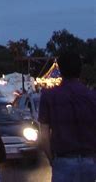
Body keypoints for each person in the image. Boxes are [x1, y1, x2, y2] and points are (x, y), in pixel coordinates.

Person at [38, 51, 96, 182]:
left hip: (63, 160)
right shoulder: (92, 96)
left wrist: (52, 159)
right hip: (89, 161)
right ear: (80, 70)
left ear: (60, 69)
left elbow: (44, 136)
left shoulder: (49, 96)